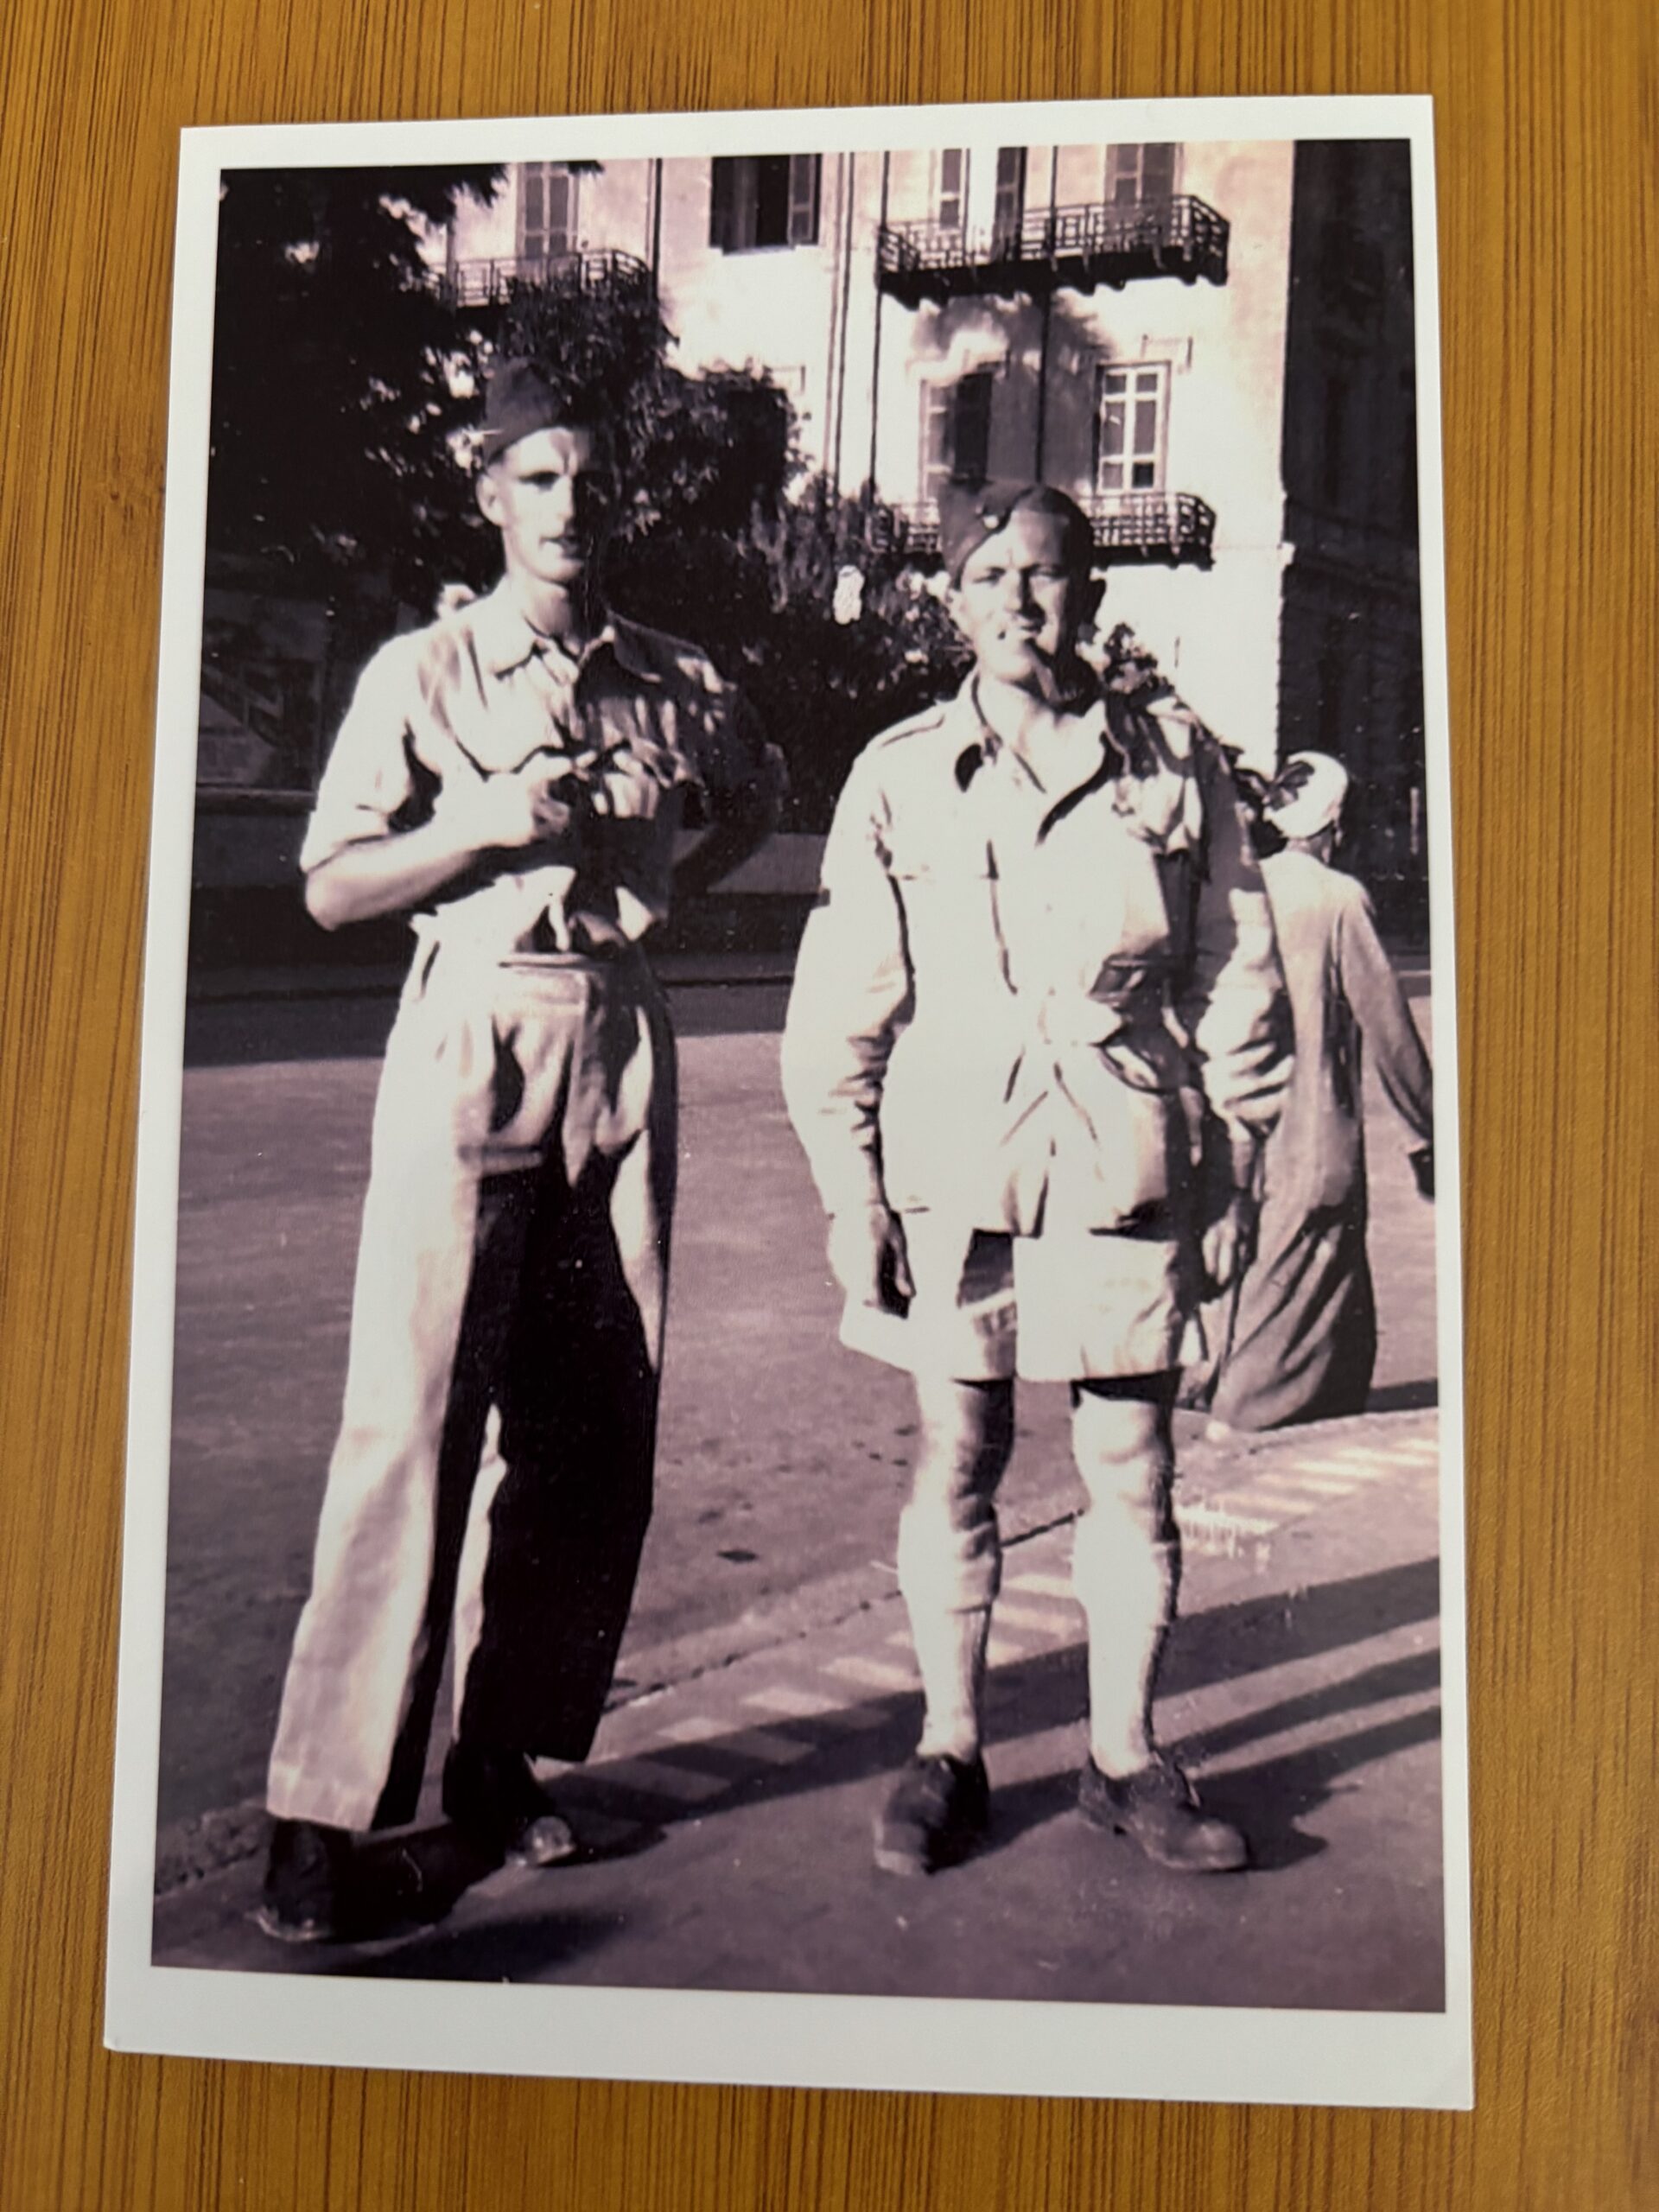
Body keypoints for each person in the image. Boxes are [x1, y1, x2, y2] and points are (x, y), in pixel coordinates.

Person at [257, 359, 783, 1941]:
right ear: (489, 494)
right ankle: (320, 1815)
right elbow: (334, 888)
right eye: (538, 479)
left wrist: (683, 834)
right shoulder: (425, 671)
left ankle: (498, 1759)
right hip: (477, 1028)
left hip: (621, 1038)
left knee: (593, 1424)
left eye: (593, 479)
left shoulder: (675, 670)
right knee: (414, 1429)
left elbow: (754, 791)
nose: (572, 506)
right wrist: (484, 829)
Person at [780, 481, 1289, 1878]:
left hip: (1128, 1153)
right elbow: (847, 1000)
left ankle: (1125, 1762)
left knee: (1131, 1461)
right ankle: (948, 1746)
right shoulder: (897, 773)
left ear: (1090, 594)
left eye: (1047, 572)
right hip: (958, 1164)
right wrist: (851, 1187)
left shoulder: (1172, 762)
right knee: (962, 1453)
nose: (1019, 597)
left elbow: (1234, 966)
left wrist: (1237, 1162)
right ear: (953, 597)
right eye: (990, 572)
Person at [1200, 751, 1433, 1432]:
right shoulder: (1337, 898)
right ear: (1336, 819)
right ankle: (1241, 1433)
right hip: (1313, 1141)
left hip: (1245, 1126)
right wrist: (1434, 1133)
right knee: (1293, 1313)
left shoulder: (1242, 888)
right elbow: (1391, 1034)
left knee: (1279, 1292)